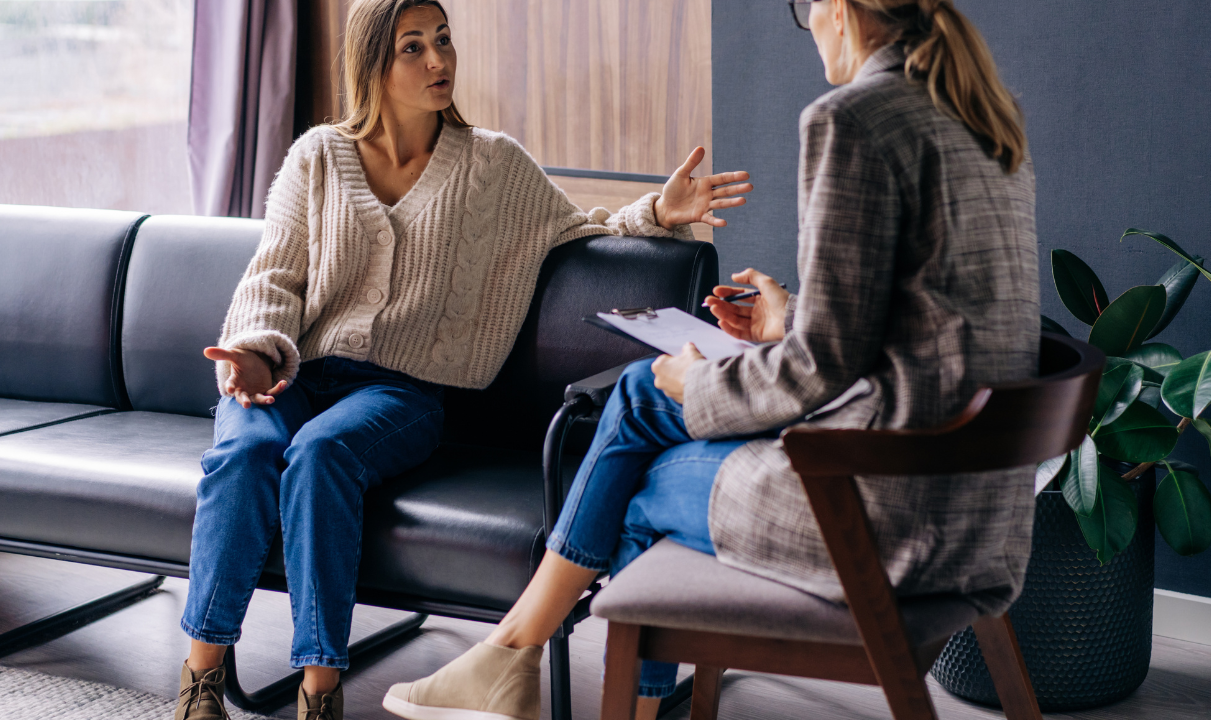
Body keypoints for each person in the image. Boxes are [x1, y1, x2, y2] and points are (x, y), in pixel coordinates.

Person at [383, 1, 1038, 719]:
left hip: (882, 517)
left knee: (634, 479)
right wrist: (789, 319)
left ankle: (514, 659)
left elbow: (821, 370)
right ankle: (511, 659)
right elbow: (922, 329)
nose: (809, 25)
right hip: (975, 509)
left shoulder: (852, 119)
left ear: (841, 11)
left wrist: (703, 380)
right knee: (640, 398)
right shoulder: (982, 117)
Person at [171, 1, 754, 719]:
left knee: (321, 455)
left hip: (401, 394)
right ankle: (199, 682)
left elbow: (577, 230)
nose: (438, 61)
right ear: (373, 63)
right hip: (292, 369)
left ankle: (319, 691)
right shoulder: (317, 156)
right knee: (243, 455)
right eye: (413, 48)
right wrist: (257, 355)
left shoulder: (491, 165)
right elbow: (275, 277)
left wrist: (656, 215)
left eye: (442, 41)